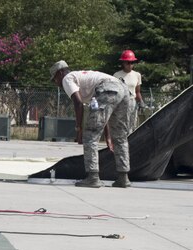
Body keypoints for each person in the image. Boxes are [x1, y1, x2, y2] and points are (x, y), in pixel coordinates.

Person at [50, 60, 132, 188]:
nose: (56, 83)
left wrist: (79, 129)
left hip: (107, 88)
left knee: (90, 136)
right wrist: (108, 136)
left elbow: (78, 103)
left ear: (60, 73)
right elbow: (104, 115)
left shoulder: (67, 78)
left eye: (55, 79)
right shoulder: (83, 78)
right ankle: (123, 178)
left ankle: (93, 177)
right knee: (120, 137)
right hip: (123, 89)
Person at [113, 49, 144, 132]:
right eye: (128, 62)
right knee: (121, 125)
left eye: (132, 63)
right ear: (123, 63)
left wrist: (141, 102)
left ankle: (129, 142)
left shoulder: (137, 75)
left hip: (132, 102)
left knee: (132, 125)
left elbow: (137, 92)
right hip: (121, 102)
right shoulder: (117, 75)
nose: (130, 65)